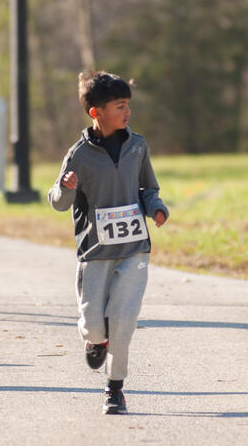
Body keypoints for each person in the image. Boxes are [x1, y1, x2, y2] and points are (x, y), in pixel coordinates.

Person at [49, 71, 168, 415]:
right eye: (119, 106)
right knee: (92, 323)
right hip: (95, 253)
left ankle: (114, 389)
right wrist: (66, 187)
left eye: (128, 104)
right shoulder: (79, 155)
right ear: (96, 112)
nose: (127, 111)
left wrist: (156, 208)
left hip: (135, 250)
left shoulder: (138, 146)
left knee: (124, 322)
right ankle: (95, 339)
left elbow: (149, 188)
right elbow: (57, 201)